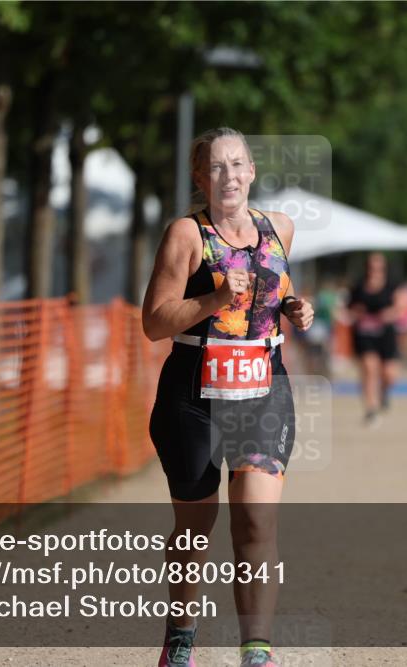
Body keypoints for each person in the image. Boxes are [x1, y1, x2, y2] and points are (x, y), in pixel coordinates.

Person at [142, 127, 314, 667]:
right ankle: (181, 639)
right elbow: (154, 322)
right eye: (217, 167)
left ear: (252, 171)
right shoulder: (187, 234)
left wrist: (296, 309)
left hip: (263, 390)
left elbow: (276, 291)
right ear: (200, 177)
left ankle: (256, 652)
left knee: (256, 521)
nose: (229, 176)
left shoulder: (279, 228)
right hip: (194, 392)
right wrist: (215, 298)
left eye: (238, 164)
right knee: (196, 529)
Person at [348, 252, 399, 426]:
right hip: (364, 333)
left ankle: (383, 392)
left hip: (386, 334)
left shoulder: (391, 286)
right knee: (369, 369)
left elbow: (401, 308)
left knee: (389, 375)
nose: (374, 270)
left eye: (378, 266)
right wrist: (356, 313)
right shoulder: (358, 287)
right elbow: (349, 310)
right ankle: (371, 409)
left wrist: (390, 314)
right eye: (371, 266)